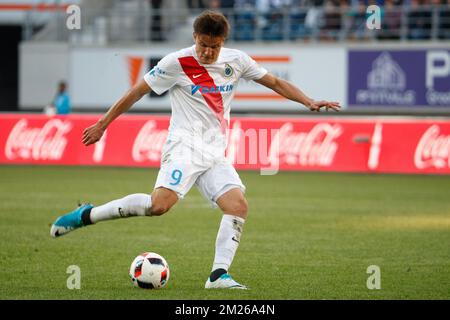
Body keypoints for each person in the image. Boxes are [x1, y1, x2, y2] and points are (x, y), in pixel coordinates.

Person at [50, 10, 340, 289]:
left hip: (215, 153)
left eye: (214, 47)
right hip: (184, 147)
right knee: (158, 206)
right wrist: (103, 124)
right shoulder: (177, 62)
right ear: (194, 37)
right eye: (203, 44)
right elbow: (136, 92)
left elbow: (275, 82)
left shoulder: (236, 61)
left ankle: (218, 276)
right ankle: (88, 215)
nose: (208, 52)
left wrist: (308, 101)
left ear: (222, 43)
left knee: (238, 206)